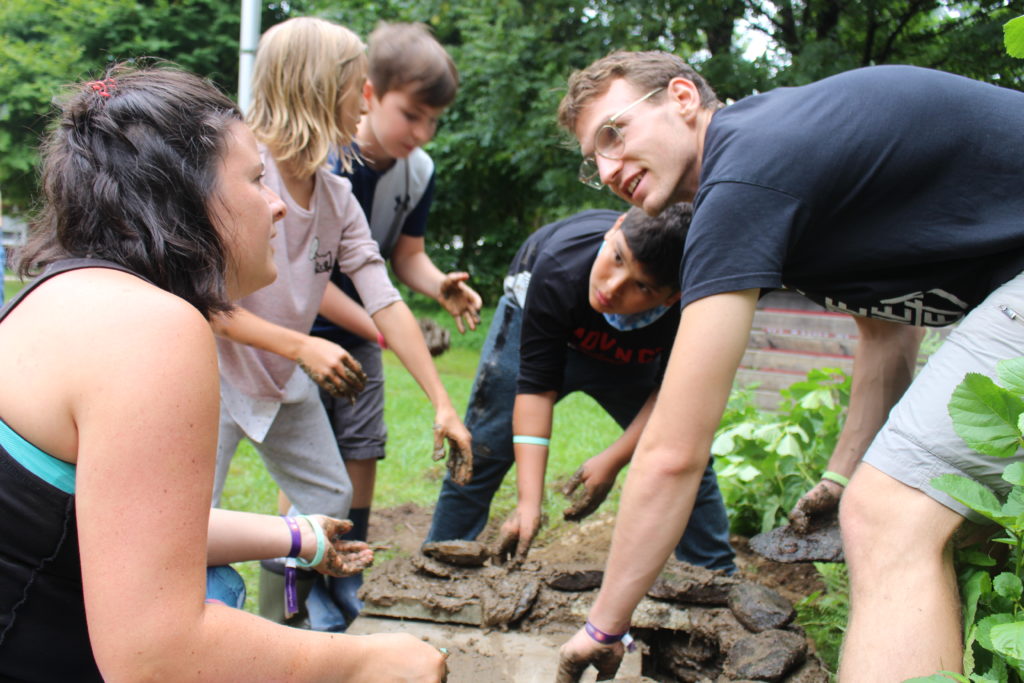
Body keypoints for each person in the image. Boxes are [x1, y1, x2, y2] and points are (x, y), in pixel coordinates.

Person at [552, 51, 1024, 681]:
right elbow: (886, 331)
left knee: (889, 520)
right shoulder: (777, 156)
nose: (608, 167)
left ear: (684, 99)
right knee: (968, 529)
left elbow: (673, 451)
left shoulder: (745, 172)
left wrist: (604, 626)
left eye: (615, 133)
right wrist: (838, 475)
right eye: (594, 159)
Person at [0, 64, 446, 681]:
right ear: (180, 195)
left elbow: (133, 527)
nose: (276, 206)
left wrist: (297, 537)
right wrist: (368, 661)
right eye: (255, 179)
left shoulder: (66, 293)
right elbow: (155, 655)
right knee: (220, 592)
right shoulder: (153, 329)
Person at [208, 16, 472, 630]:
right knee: (192, 516)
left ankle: (291, 622)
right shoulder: (241, 178)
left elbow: (385, 299)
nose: (364, 98)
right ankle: (199, 624)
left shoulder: (335, 198)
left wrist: (441, 402)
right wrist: (302, 344)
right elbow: (203, 304)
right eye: (357, 85)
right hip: (214, 378)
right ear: (319, 88)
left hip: (281, 380)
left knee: (329, 502)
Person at [426, 204, 735, 575]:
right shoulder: (559, 264)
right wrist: (529, 502)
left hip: (634, 358)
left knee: (682, 454)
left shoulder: (697, 306)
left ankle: (714, 575)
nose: (611, 286)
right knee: (484, 447)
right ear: (616, 227)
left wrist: (614, 459)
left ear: (672, 298)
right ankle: (439, 564)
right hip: (539, 317)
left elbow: (672, 397)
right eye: (618, 257)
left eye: (641, 285)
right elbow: (536, 389)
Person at [306, 21, 481, 629]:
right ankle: (293, 602)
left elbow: (403, 256)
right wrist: (384, 326)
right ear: (368, 93)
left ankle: (342, 596)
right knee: (303, 464)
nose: (423, 132)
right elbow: (302, 276)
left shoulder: (417, 170)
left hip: (368, 330)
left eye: (434, 120)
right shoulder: (319, 159)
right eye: (412, 114)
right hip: (298, 335)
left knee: (360, 455)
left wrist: (437, 286)